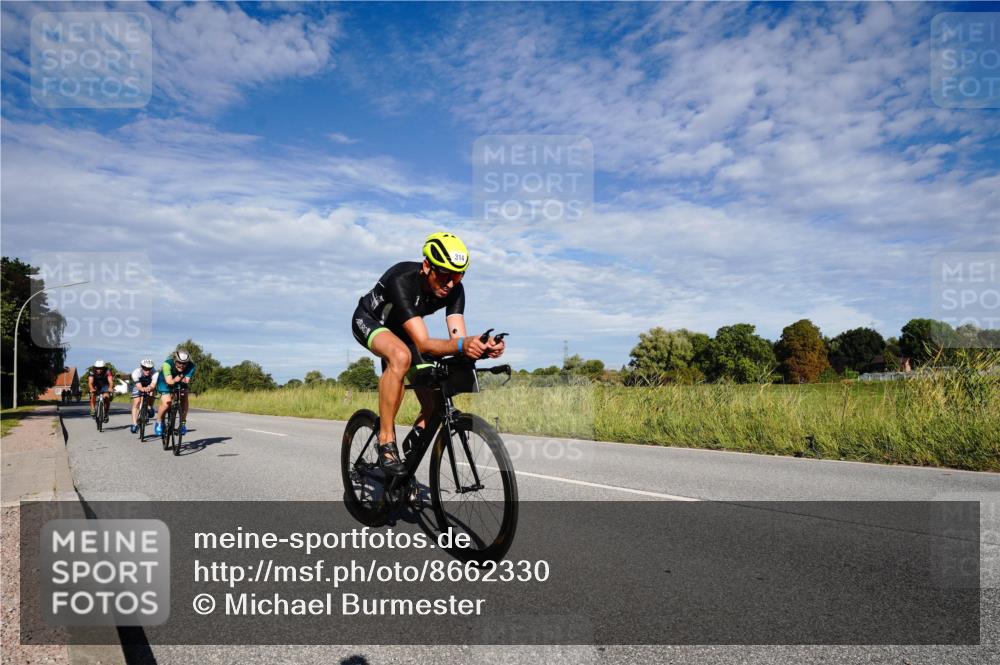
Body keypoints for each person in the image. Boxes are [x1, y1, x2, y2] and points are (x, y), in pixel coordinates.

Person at [350, 232, 505, 474]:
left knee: (433, 397)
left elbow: (458, 341)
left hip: (404, 332)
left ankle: (409, 459)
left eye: (458, 275)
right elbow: (422, 343)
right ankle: (386, 440)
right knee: (401, 357)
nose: (451, 283)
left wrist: (482, 347)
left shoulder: (455, 289)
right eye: (445, 274)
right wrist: (465, 345)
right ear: (427, 266)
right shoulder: (401, 278)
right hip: (371, 321)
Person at [154, 348, 196, 437]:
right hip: (164, 381)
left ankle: (183, 424)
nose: (181, 365)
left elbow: (186, 381)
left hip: (179, 380)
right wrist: (180, 376)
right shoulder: (167, 364)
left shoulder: (191, 366)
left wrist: (181, 380)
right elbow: (169, 381)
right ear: (174, 359)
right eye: (179, 362)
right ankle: (158, 422)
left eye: (184, 363)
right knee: (167, 403)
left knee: (184, 396)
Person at [129, 358, 159, 434]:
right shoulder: (136, 372)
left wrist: (150, 388)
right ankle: (134, 424)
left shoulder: (155, 373)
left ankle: (150, 406)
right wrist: (142, 389)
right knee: (137, 402)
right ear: (141, 367)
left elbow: (153, 385)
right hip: (138, 385)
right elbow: (139, 386)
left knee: (153, 391)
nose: (147, 370)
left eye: (149, 369)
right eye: (145, 368)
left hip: (149, 385)